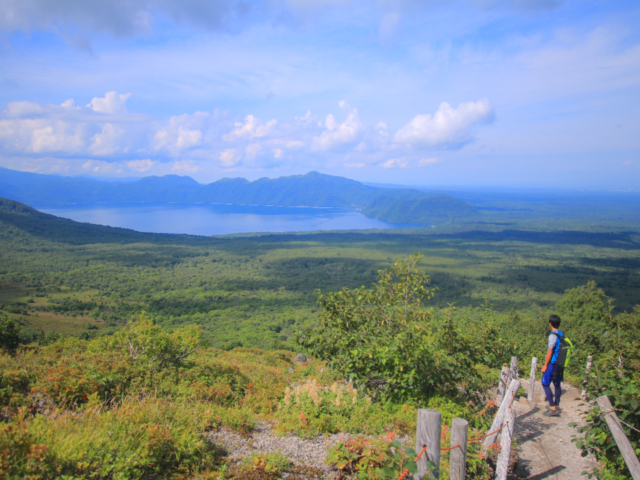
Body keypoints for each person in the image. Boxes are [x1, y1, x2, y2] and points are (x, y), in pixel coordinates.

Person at [541, 314, 564, 416]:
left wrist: (545, 365)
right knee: (557, 384)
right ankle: (557, 405)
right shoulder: (561, 334)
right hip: (560, 363)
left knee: (545, 383)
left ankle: (552, 406)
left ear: (550, 323)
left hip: (552, 363)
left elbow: (550, 352)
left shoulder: (552, 336)